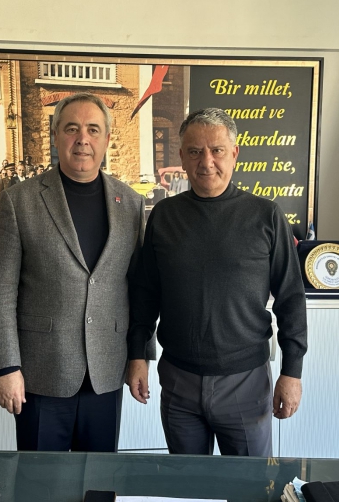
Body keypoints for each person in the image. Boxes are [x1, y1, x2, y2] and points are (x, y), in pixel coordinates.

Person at [126, 108, 307, 457]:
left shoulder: (266, 216)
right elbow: (146, 294)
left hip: (246, 382)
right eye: (195, 151)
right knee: (189, 483)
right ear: (182, 157)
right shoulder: (164, 216)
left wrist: (292, 372)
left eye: (217, 150)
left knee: (250, 484)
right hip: (178, 381)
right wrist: (137, 355)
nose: (206, 162)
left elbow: (291, 299)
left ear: (234, 153)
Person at [0, 92, 151, 453]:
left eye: (93, 129)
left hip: (106, 372)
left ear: (107, 138)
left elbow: (141, 289)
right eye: (72, 128)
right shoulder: (19, 201)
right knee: (41, 481)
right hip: (41, 374)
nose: (82, 139)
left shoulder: (131, 203)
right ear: (56, 135)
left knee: (99, 479)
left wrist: (140, 356)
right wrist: (5, 367)